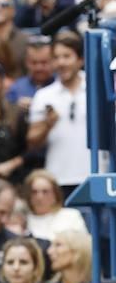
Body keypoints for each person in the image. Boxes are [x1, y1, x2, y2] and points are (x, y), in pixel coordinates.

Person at [27, 30, 89, 199]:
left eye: (67, 56)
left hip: (93, 176)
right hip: (57, 179)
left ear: (80, 60)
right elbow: (32, 142)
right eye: (56, 57)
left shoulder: (96, 87)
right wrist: (48, 124)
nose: (61, 62)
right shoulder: (43, 95)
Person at [23, 167, 88, 241]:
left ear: (55, 194)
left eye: (45, 191)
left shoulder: (70, 216)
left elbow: (82, 246)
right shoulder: (22, 220)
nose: (39, 197)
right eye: (34, 192)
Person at [5, 34, 54, 110]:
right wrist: (16, 108)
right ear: (26, 62)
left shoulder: (62, 85)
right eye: (34, 62)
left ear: (53, 61)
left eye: (44, 62)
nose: (39, 68)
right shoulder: (16, 88)